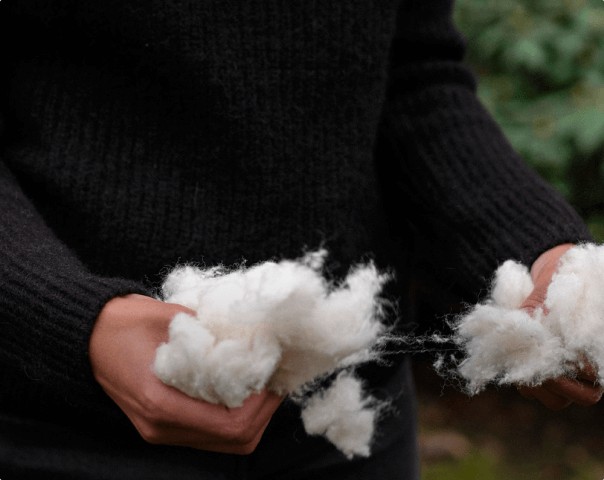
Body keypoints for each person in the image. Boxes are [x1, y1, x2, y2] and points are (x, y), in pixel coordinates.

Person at [0, 1, 601, 478]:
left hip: (346, 429)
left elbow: (414, 80)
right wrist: (70, 321)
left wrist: (547, 260)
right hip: (51, 432)